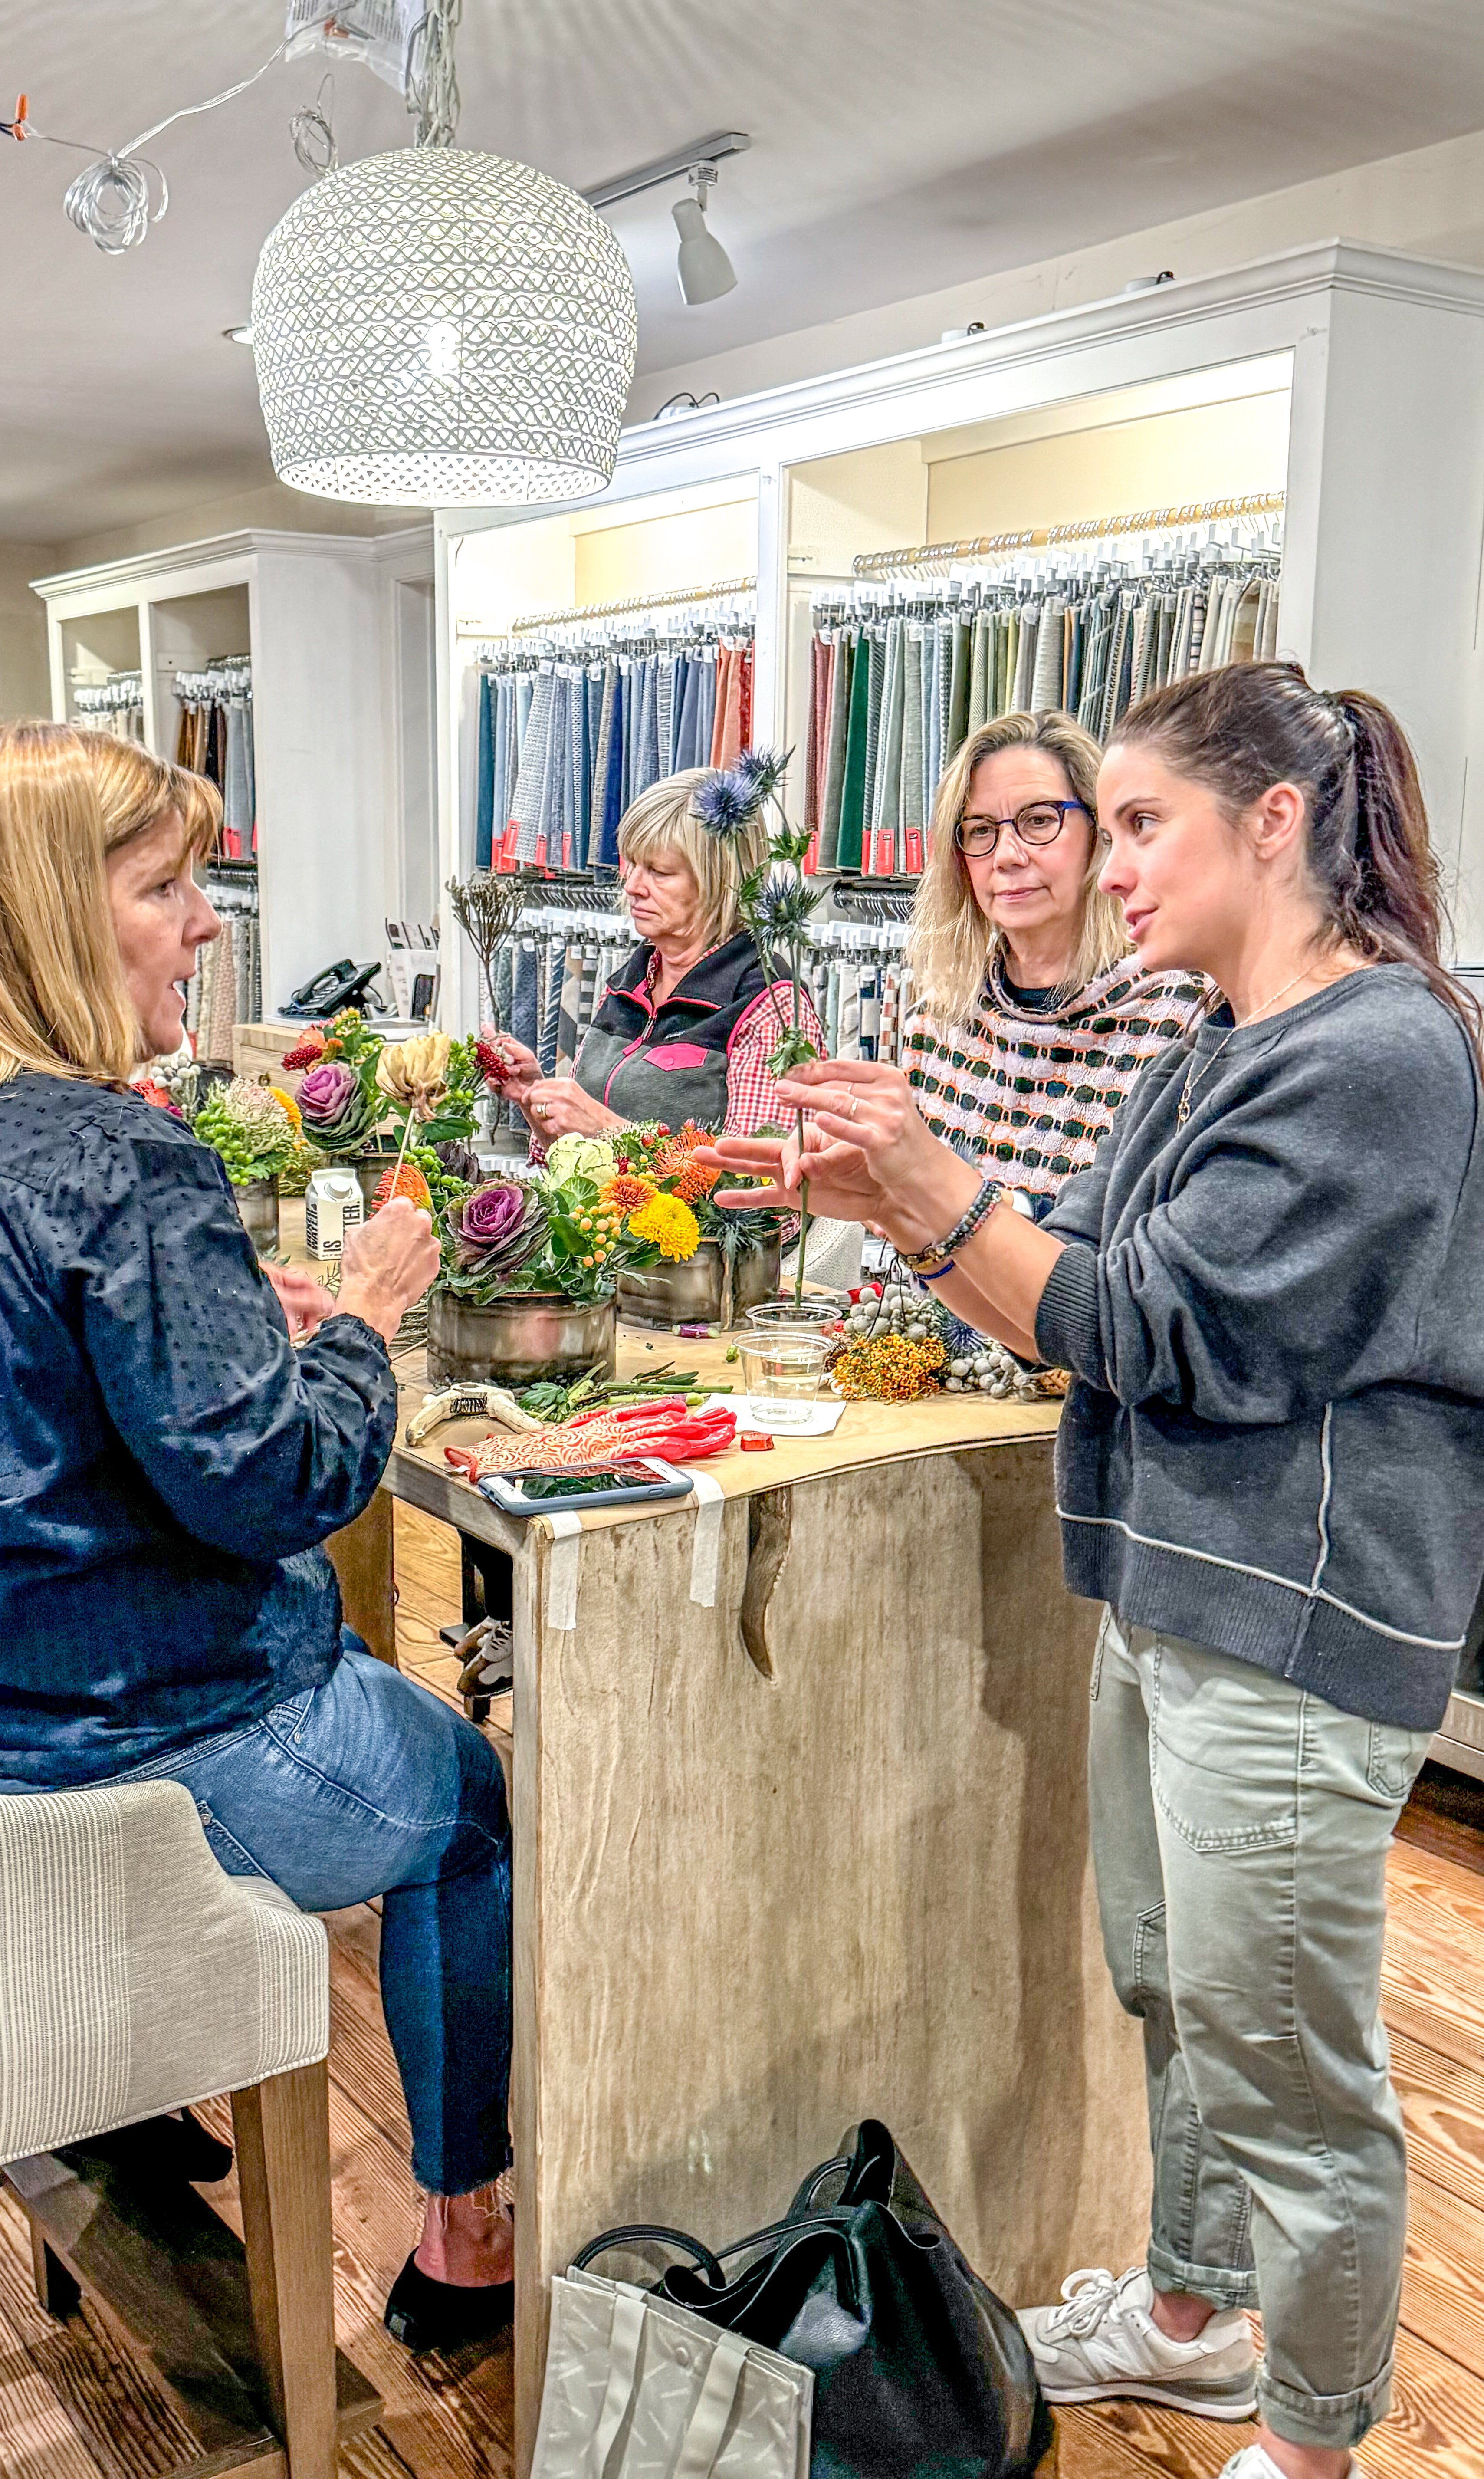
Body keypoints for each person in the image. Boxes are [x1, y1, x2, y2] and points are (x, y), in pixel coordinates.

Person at [699, 662, 1484, 2479]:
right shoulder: (1220, 1036)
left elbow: (1143, 1321)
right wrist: (873, 1192)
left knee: (1291, 2066)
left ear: (1272, 823)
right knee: (1173, 1978)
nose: (1109, 864)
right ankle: (1196, 2317)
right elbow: (1072, 1278)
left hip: (1294, 1620)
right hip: (1177, 1590)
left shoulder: (1378, 1056)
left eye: (1141, 824)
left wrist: (928, 1184)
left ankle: (1314, 2437)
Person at [0, 720, 513, 2353]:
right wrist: (365, 1323)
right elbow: (279, 1489)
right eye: (167, 886)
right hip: (138, 1733)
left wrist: (220, 1329)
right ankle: (467, 2232)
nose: (207, 922)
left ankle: (122, 2100)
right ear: (52, 911)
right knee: (473, 1806)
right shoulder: (121, 1155)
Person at [904, 709, 1204, 1211]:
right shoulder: (938, 1024)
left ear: (1098, 834)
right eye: (980, 831)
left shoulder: (1177, 1018)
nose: (1007, 855)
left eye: (1039, 821)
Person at [486, 766, 821, 1142]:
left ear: (720, 878)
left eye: (659, 871)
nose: (632, 886)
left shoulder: (768, 1005)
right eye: (631, 865)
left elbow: (757, 1185)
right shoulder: (632, 980)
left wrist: (604, 1129)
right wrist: (536, 1099)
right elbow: (575, 1164)